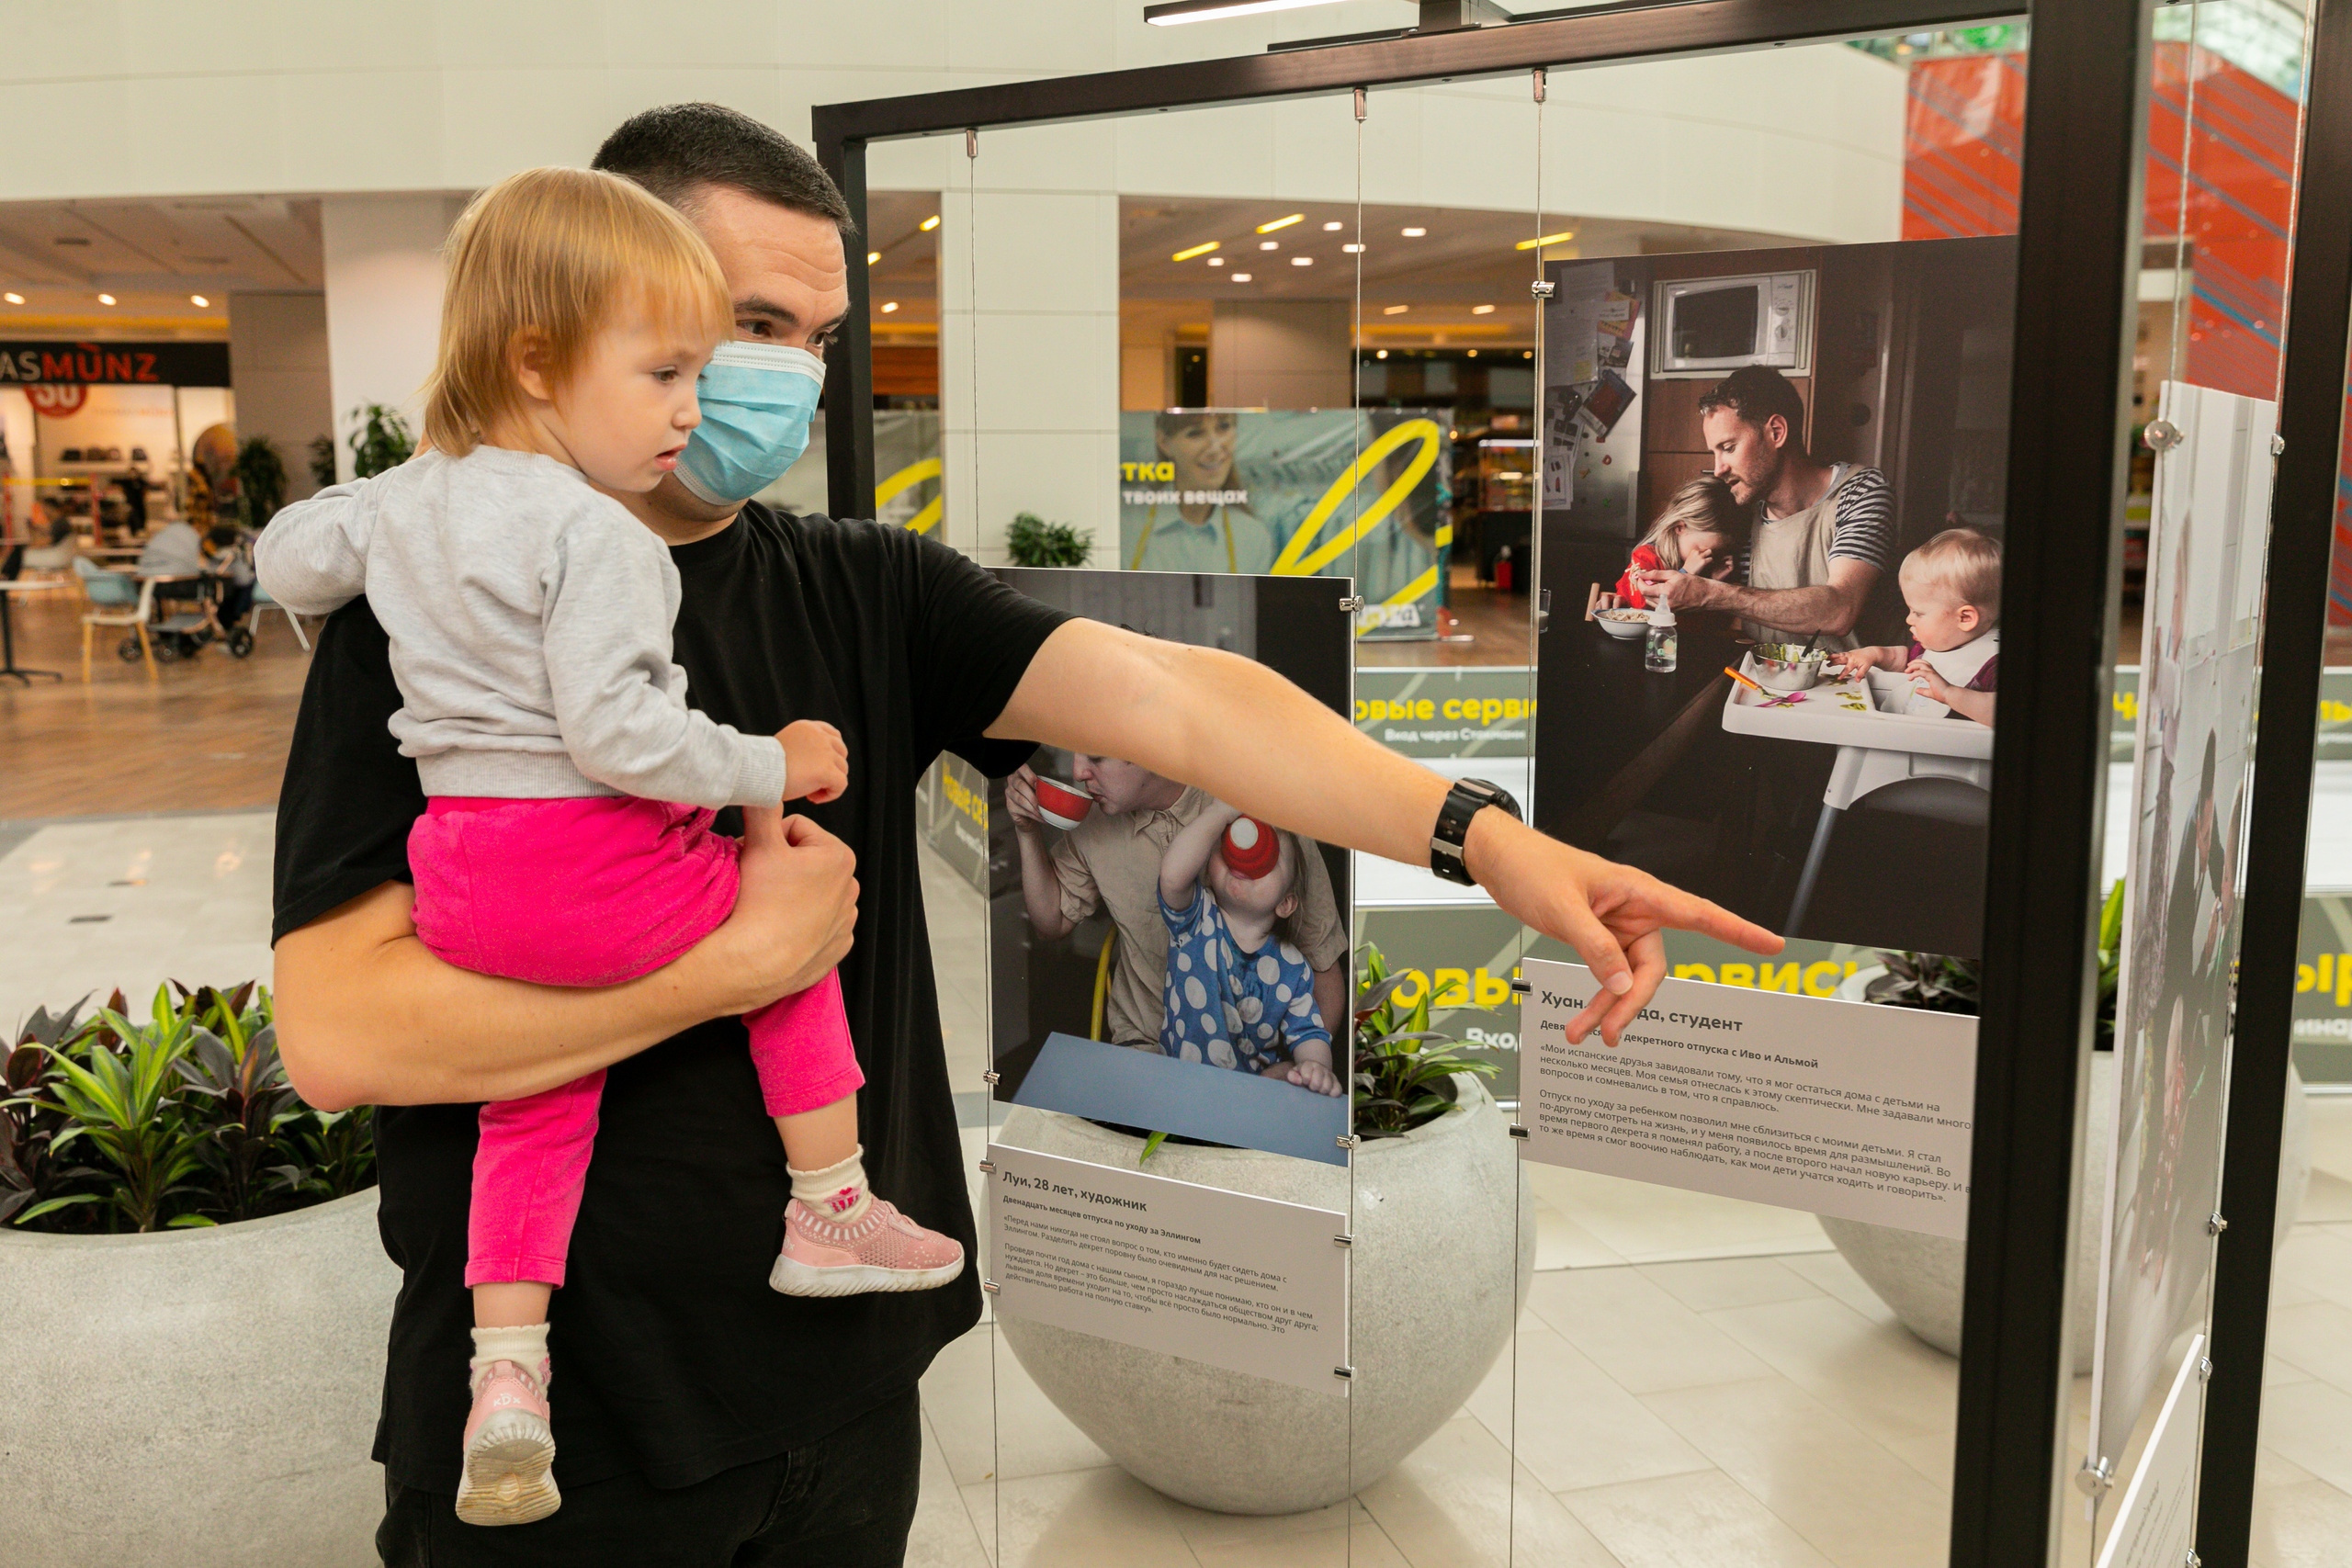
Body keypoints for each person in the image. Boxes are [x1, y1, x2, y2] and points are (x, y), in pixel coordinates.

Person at [268, 103, 1777, 1568]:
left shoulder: (861, 587)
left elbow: (1183, 699)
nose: (787, 376)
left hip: (847, 1396)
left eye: (819, 339)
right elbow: (342, 1028)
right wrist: (733, 963)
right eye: (750, 325)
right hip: (564, 1431)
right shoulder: (428, 608)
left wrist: (1481, 833)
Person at [259, 165, 962, 1529]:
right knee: (790, 916)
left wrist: (395, 513)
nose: (694, 413)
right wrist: (773, 763)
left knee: (537, 1088)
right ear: (536, 359)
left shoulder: (410, 505)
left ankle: (507, 1360)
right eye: (665, 375)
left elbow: (289, 559)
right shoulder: (601, 537)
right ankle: (830, 1196)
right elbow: (625, 735)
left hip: (472, 878)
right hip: (591, 857)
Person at [1005, 753, 1348, 1047]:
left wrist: (1294, 1070)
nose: (1078, 771)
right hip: (1145, 1047)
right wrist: (1026, 831)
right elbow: (1051, 921)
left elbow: (1323, 969)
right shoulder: (1093, 819)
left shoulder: (1256, 809)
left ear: (1151, 749)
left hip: (1252, 1060)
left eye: (1096, 757)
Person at [1633, 366, 1894, 648]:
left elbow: (1841, 609)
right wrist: (1625, 602)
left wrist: (1712, 593)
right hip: (1761, 682)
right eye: (1714, 452)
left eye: (1729, 448)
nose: (1718, 469)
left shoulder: (1860, 491)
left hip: (1849, 688)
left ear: (1776, 432)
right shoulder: (1741, 510)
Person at [1154, 803, 1341, 1095]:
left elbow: (1309, 1033)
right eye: (1231, 840)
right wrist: (1222, 814)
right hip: (1178, 1086)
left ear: (1286, 903)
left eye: (1271, 859)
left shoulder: (1293, 968)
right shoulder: (1193, 919)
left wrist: (1315, 1067)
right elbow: (1172, 877)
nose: (1248, 855)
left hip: (1250, 1099)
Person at [1830, 526, 1999, 727]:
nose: (1909, 620)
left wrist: (1949, 693)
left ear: (1965, 618)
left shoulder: (1993, 665)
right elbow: (1907, 660)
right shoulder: (1942, 644)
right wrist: (1874, 654)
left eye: (1919, 613)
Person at [1125, 411, 1276, 573]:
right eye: (1195, 433)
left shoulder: (1253, 536)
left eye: (1224, 427)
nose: (1215, 448)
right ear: (1164, 443)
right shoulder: (1125, 526)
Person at [1605, 474, 1747, 609]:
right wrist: (1686, 574)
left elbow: (1711, 627)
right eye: (1703, 551)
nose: (1709, 559)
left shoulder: (1710, 569)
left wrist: (1713, 585)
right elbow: (1640, 608)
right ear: (1679, 528)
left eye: (1718, 553)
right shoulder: (1646, 558)